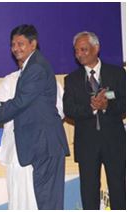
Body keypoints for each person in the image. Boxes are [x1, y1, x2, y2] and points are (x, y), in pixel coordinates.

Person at [0, 24, 70, 210]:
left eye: (21, 44)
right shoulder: (30, 67)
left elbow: (20, 103)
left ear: (33, 44)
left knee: (47, 202)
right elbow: (25, 106)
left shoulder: (35, 68)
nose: (16, 48)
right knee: (44, 200)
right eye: (13, 44)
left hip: (45, 144)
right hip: (38, 145)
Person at [63, 31, 126, 210]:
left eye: (84, 49)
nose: (80, 54)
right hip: (87, 144)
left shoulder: (117, 73)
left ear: (96, 48)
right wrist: (91, 107)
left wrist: (106, 105)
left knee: (119, 189)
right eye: (76, 51)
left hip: (114, 142)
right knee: (89, 192)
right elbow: (69, 109)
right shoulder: (72, 79)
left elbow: (124, 102)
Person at [0, 66, 65, 209]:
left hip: (44, 149)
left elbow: (60, 112)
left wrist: (27, 112)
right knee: (20, 200)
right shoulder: (10, 81)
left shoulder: (48, 79)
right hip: (17, 151)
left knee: (45, 201)